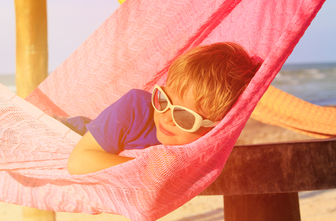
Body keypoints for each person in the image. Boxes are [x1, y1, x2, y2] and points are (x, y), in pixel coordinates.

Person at [60, 42, 261, 175]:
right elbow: (78, 162)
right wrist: (145, 171)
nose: (166, 117)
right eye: (163, 100)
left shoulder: (202, 147)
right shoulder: (134, 107)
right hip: (66, 134)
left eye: (185, 117)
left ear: (215, 128)